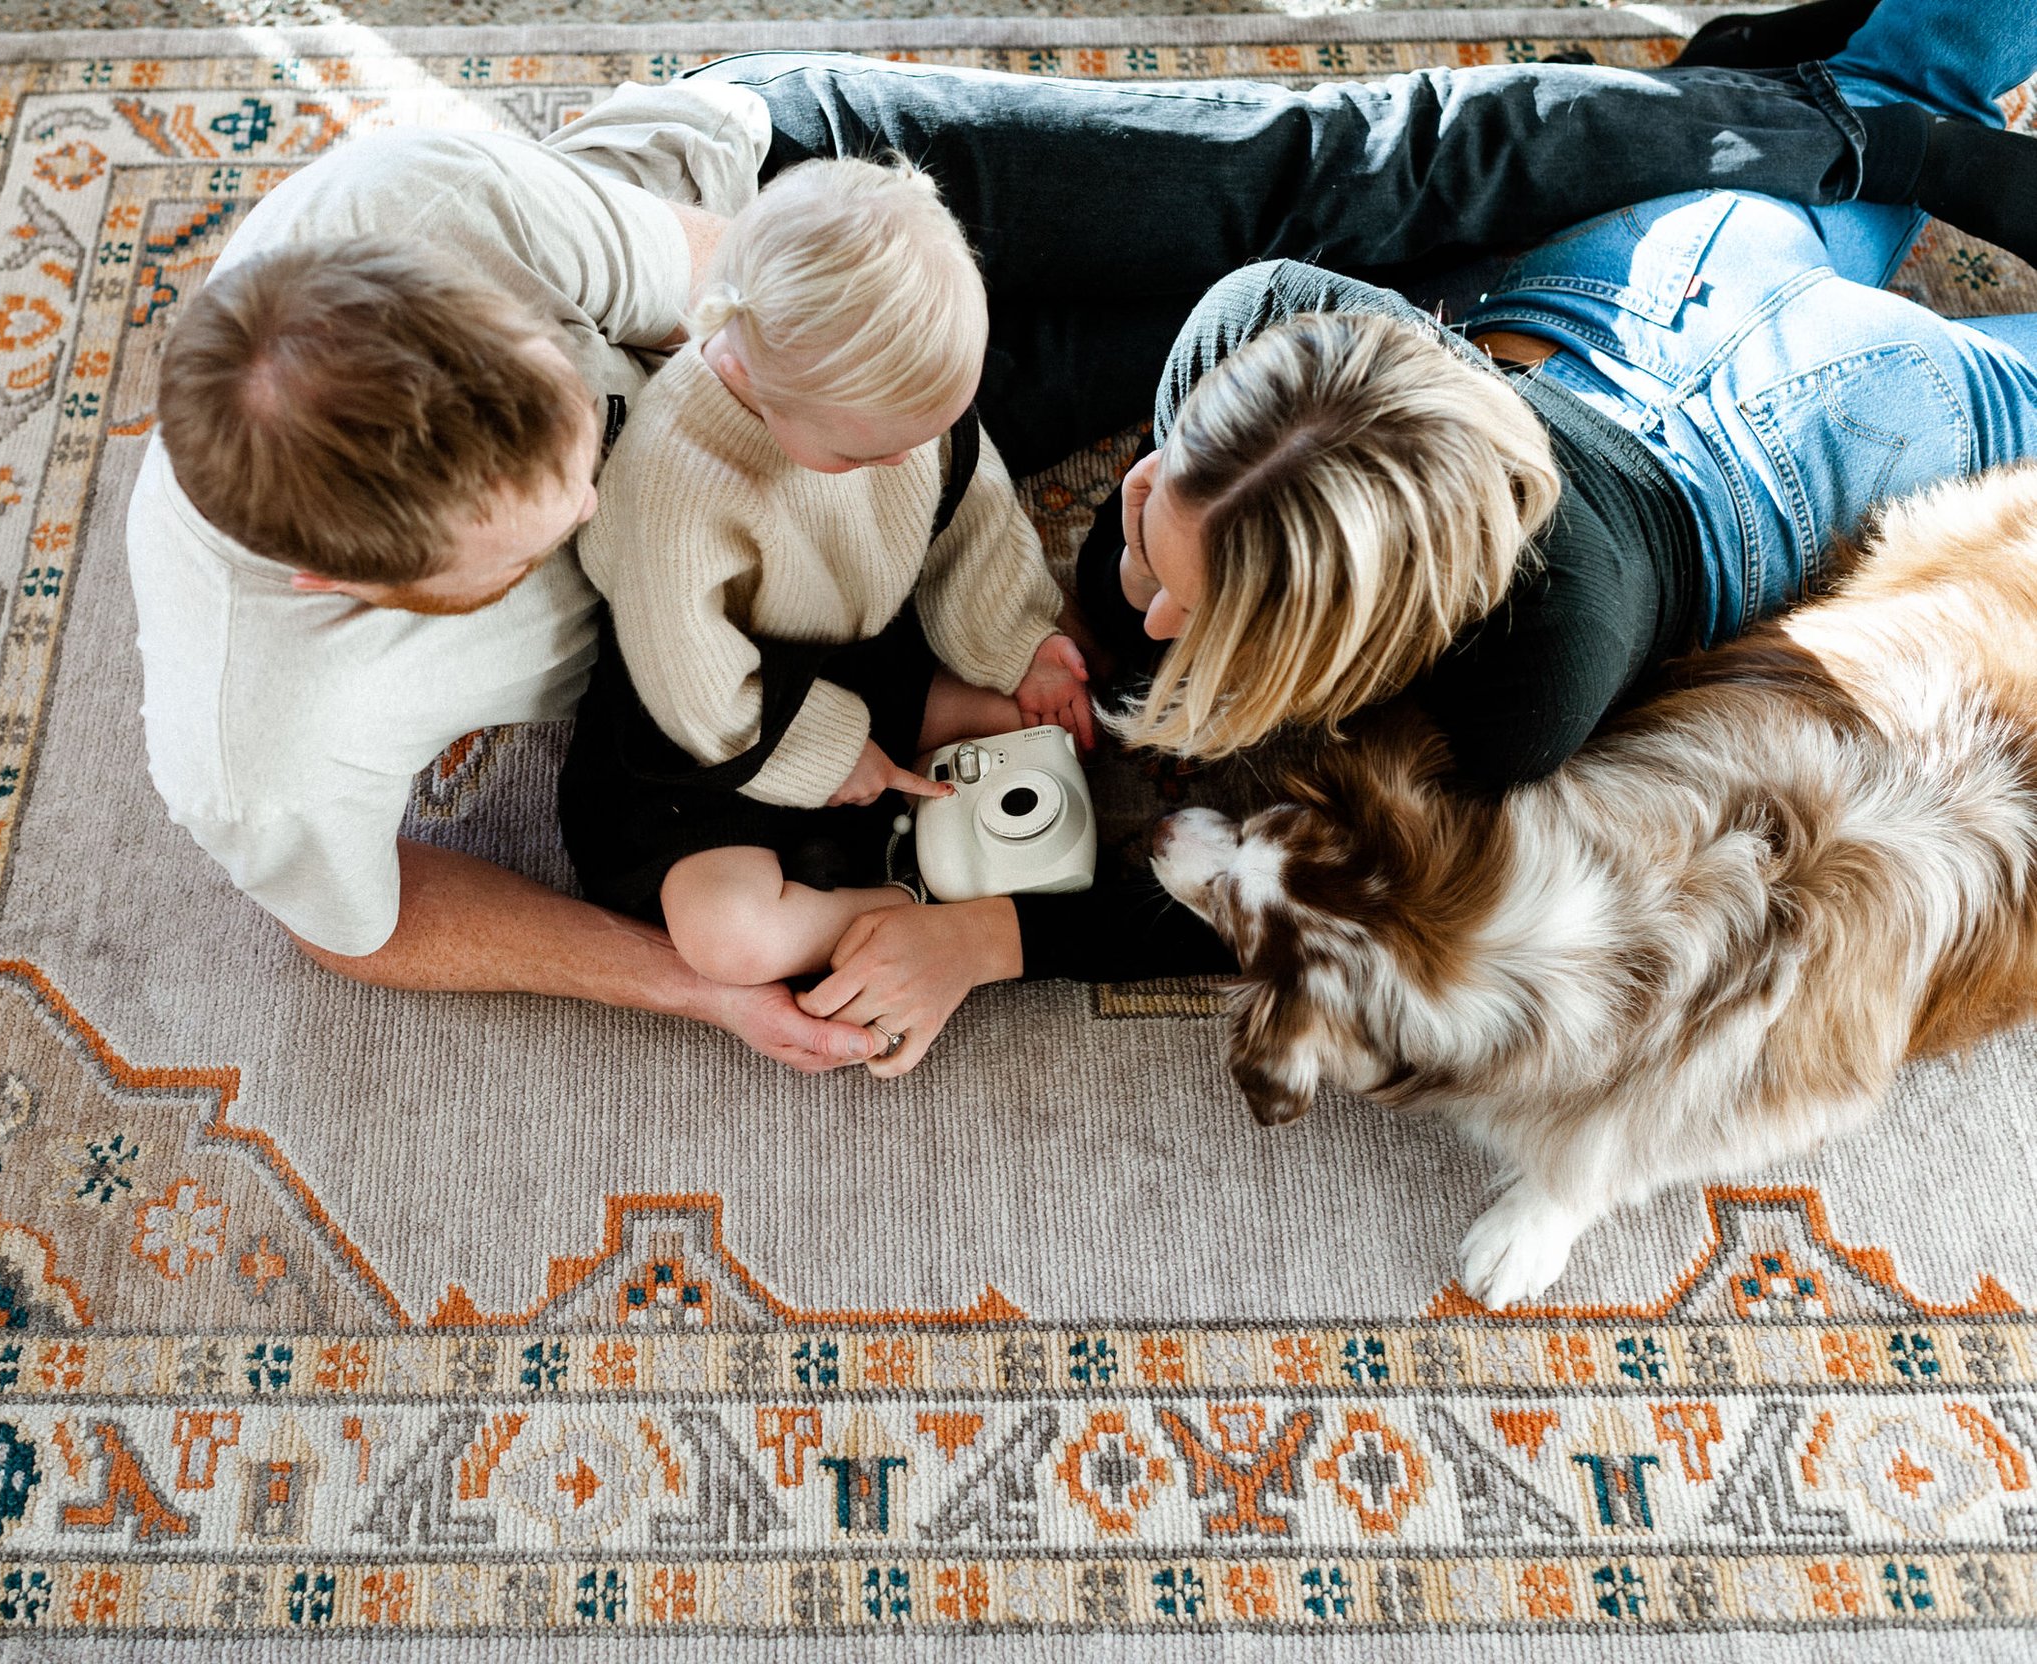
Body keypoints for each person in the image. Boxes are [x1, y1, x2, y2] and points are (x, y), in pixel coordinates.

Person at [126, 38, 2016, 1078]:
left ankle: (1817, 124)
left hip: (829, 283)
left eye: (604, 411)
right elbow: (348, 918)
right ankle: (1820, 124)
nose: (640, 447)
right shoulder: (260, 735)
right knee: (1498, 253)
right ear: (348, 592)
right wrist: (695, 984)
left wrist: (902, 411)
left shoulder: (421, 218)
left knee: (1337, 176)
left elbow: (753, 309)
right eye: (560, 533)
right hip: (851, 461)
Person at [1072, 0, 2037, 796]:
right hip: (1670, 269)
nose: (1165, 622)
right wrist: (1139, 564)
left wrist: (1129, 587)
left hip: (1825, 446)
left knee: (1901, 109)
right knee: (1902, 89)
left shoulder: (1525, 687)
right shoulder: (1254, 316)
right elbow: (1156, 592)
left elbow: (1318, 853)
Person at [560, 158, 1093, 996]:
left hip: (850, 652)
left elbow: (973, 511)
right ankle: (904, 904)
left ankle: (918, 847)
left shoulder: (900, 418)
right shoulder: (674, 485)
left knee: (1029, 721)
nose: (906, 461)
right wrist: (827, 755)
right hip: (713, 722)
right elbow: (697, 693)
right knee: (729, 936)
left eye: (933, 428)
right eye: (866, 454)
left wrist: (1016, 637)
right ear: (746, 377)